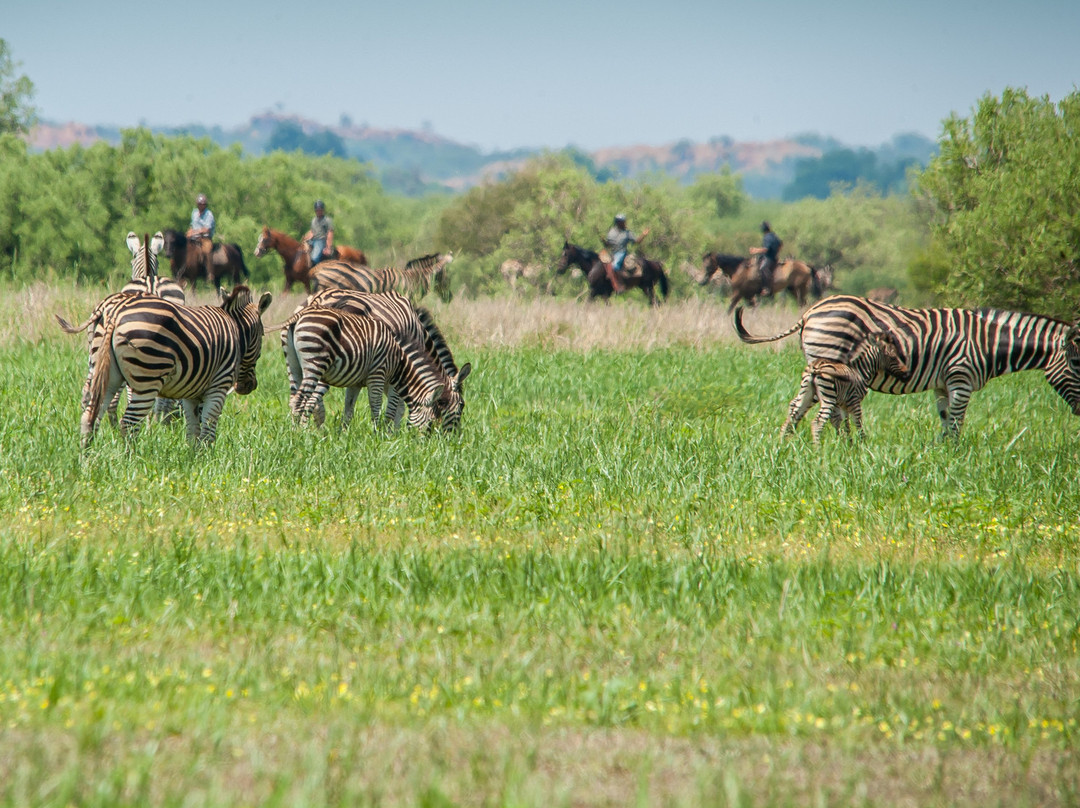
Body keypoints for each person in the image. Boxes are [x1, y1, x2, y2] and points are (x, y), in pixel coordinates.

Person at [603, 213, 649, 293]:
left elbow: (636, 242)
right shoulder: (611, 232)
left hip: (621, 252)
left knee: (615, 266)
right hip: (612, 253)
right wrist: (604, 241)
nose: (624, 223)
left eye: (624, 221)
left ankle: (619, 284)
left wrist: (643, 235)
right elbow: (609, 244)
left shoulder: (627, 233)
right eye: (622, 222)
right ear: (617, 222)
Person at [749, 220, 782, 296]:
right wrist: (776, 252)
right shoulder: (774, 235)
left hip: (768, 258)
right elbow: (780, 244)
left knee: (763, 268)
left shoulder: (767, 237)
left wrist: (755, 250)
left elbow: (765, 249)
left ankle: (767, 288)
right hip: (773, 257)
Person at [302, 200, 335, 265]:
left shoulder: (327, 220)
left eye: (320, 210)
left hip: (321, 240)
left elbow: (330, 233)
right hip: (312, 240)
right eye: (317, 210)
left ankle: (318, 270)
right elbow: (312, 231)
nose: (318, 211)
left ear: (323, 210)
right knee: (301, 253)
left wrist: (328, 247)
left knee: (314, 258)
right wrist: (305, 238)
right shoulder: (313, 220)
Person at [186, 193, 216, 265]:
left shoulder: (209, 214)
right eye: (199, 204)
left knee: (207, 251)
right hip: (193, 238)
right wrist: (188, 232)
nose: (201, 206)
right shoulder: (194, 212)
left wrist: (195, 232)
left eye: (203, 204)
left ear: (205, 205)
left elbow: (206, 229)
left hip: (205, 238)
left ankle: (210, 273)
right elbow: (192, 225)